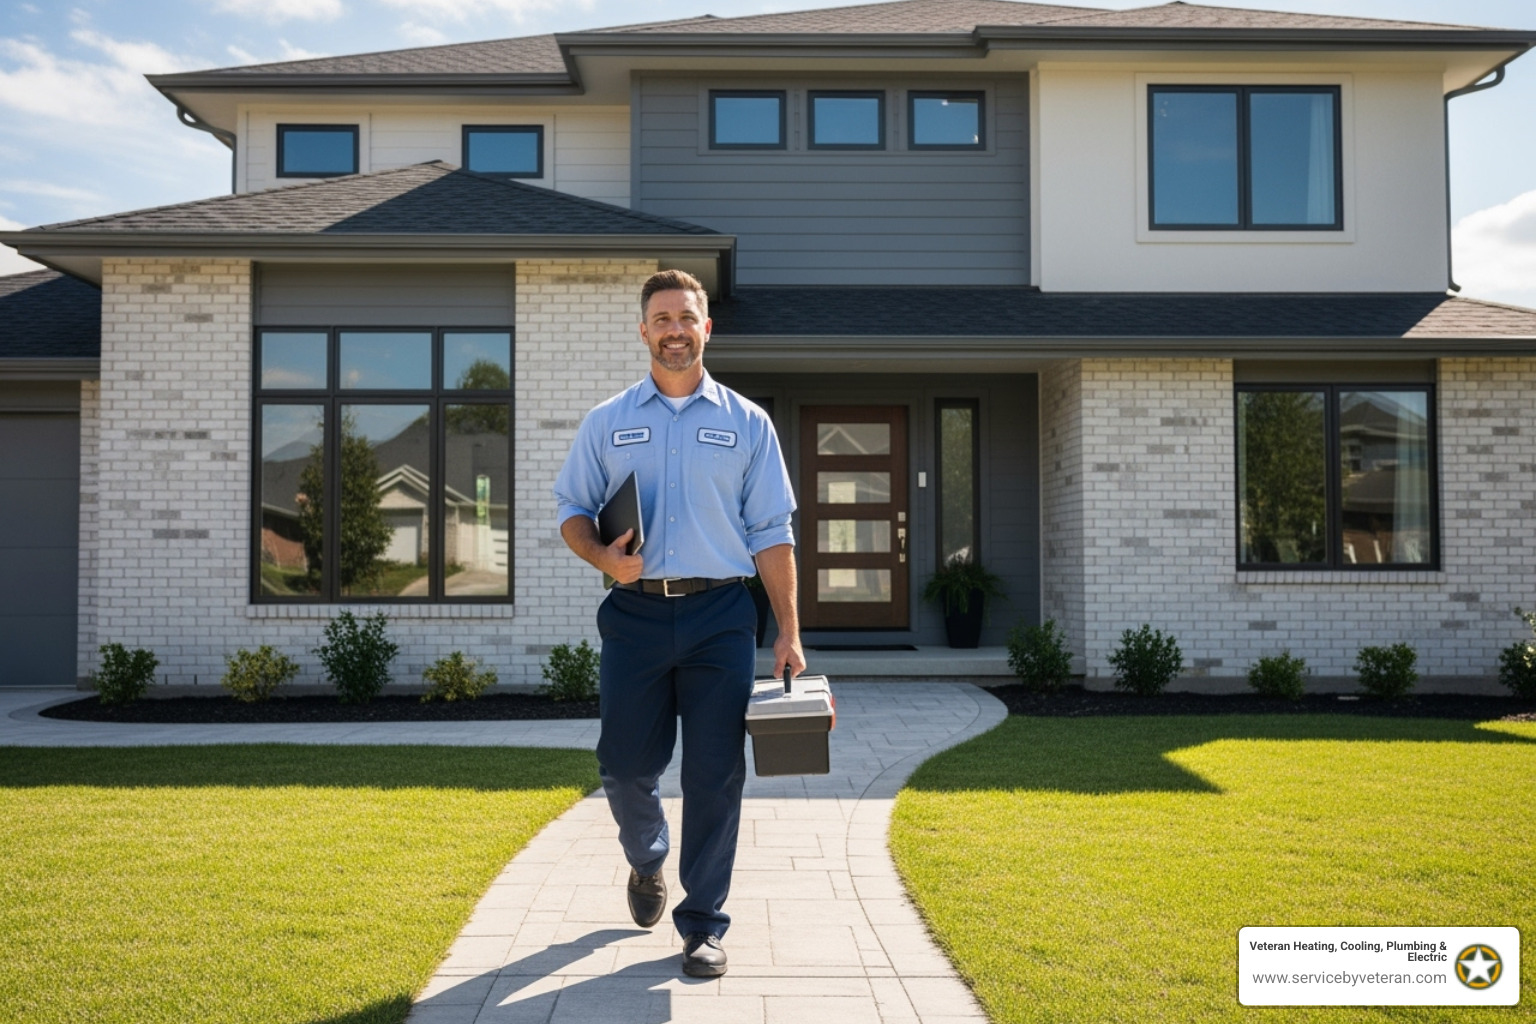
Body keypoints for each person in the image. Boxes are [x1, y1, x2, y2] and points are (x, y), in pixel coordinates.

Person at [553, 268, 804, 978]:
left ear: (705, 328)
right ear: (643, 331)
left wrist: (788, 630)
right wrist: (603, 555)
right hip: (633, 615)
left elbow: (773, 532)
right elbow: (572, 510)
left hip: (722, 612)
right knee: (625, 765)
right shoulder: (607, 421)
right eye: (661, 319)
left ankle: (703, 925)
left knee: (715, 773)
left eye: (686, 318)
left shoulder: (747, 422)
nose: (674, 330)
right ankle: (646, 857)